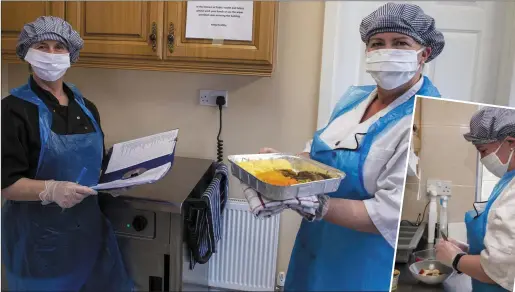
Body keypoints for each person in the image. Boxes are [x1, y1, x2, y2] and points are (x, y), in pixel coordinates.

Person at [247, 3, 445, 291]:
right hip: (317, 244)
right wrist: (285, 165)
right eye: (377, 43)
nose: (386, 50)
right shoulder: (354, 99)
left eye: (400, 43)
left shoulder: (421, 118)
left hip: (361, 261)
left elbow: (388, 213)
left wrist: (315, 203)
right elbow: (321, 151)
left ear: (423, 53)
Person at [1, 16, 133, 291]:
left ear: (70, 54)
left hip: (88, 237)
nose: (51, 54)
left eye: (59, 47)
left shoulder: (87, 108)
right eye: (42, 46)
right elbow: (7, 184)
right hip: (39, 247)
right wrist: (51, 190)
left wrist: (121, 175)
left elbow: (95, 162)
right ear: (28, 52)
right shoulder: (12, 110)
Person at [436, 107, 515, 292]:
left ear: (510, 142)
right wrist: (465, 249)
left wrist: (455, 259)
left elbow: (498, 270)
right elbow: (505, 248)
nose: (482, 159)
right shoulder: (507, 181)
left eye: (483, 150)